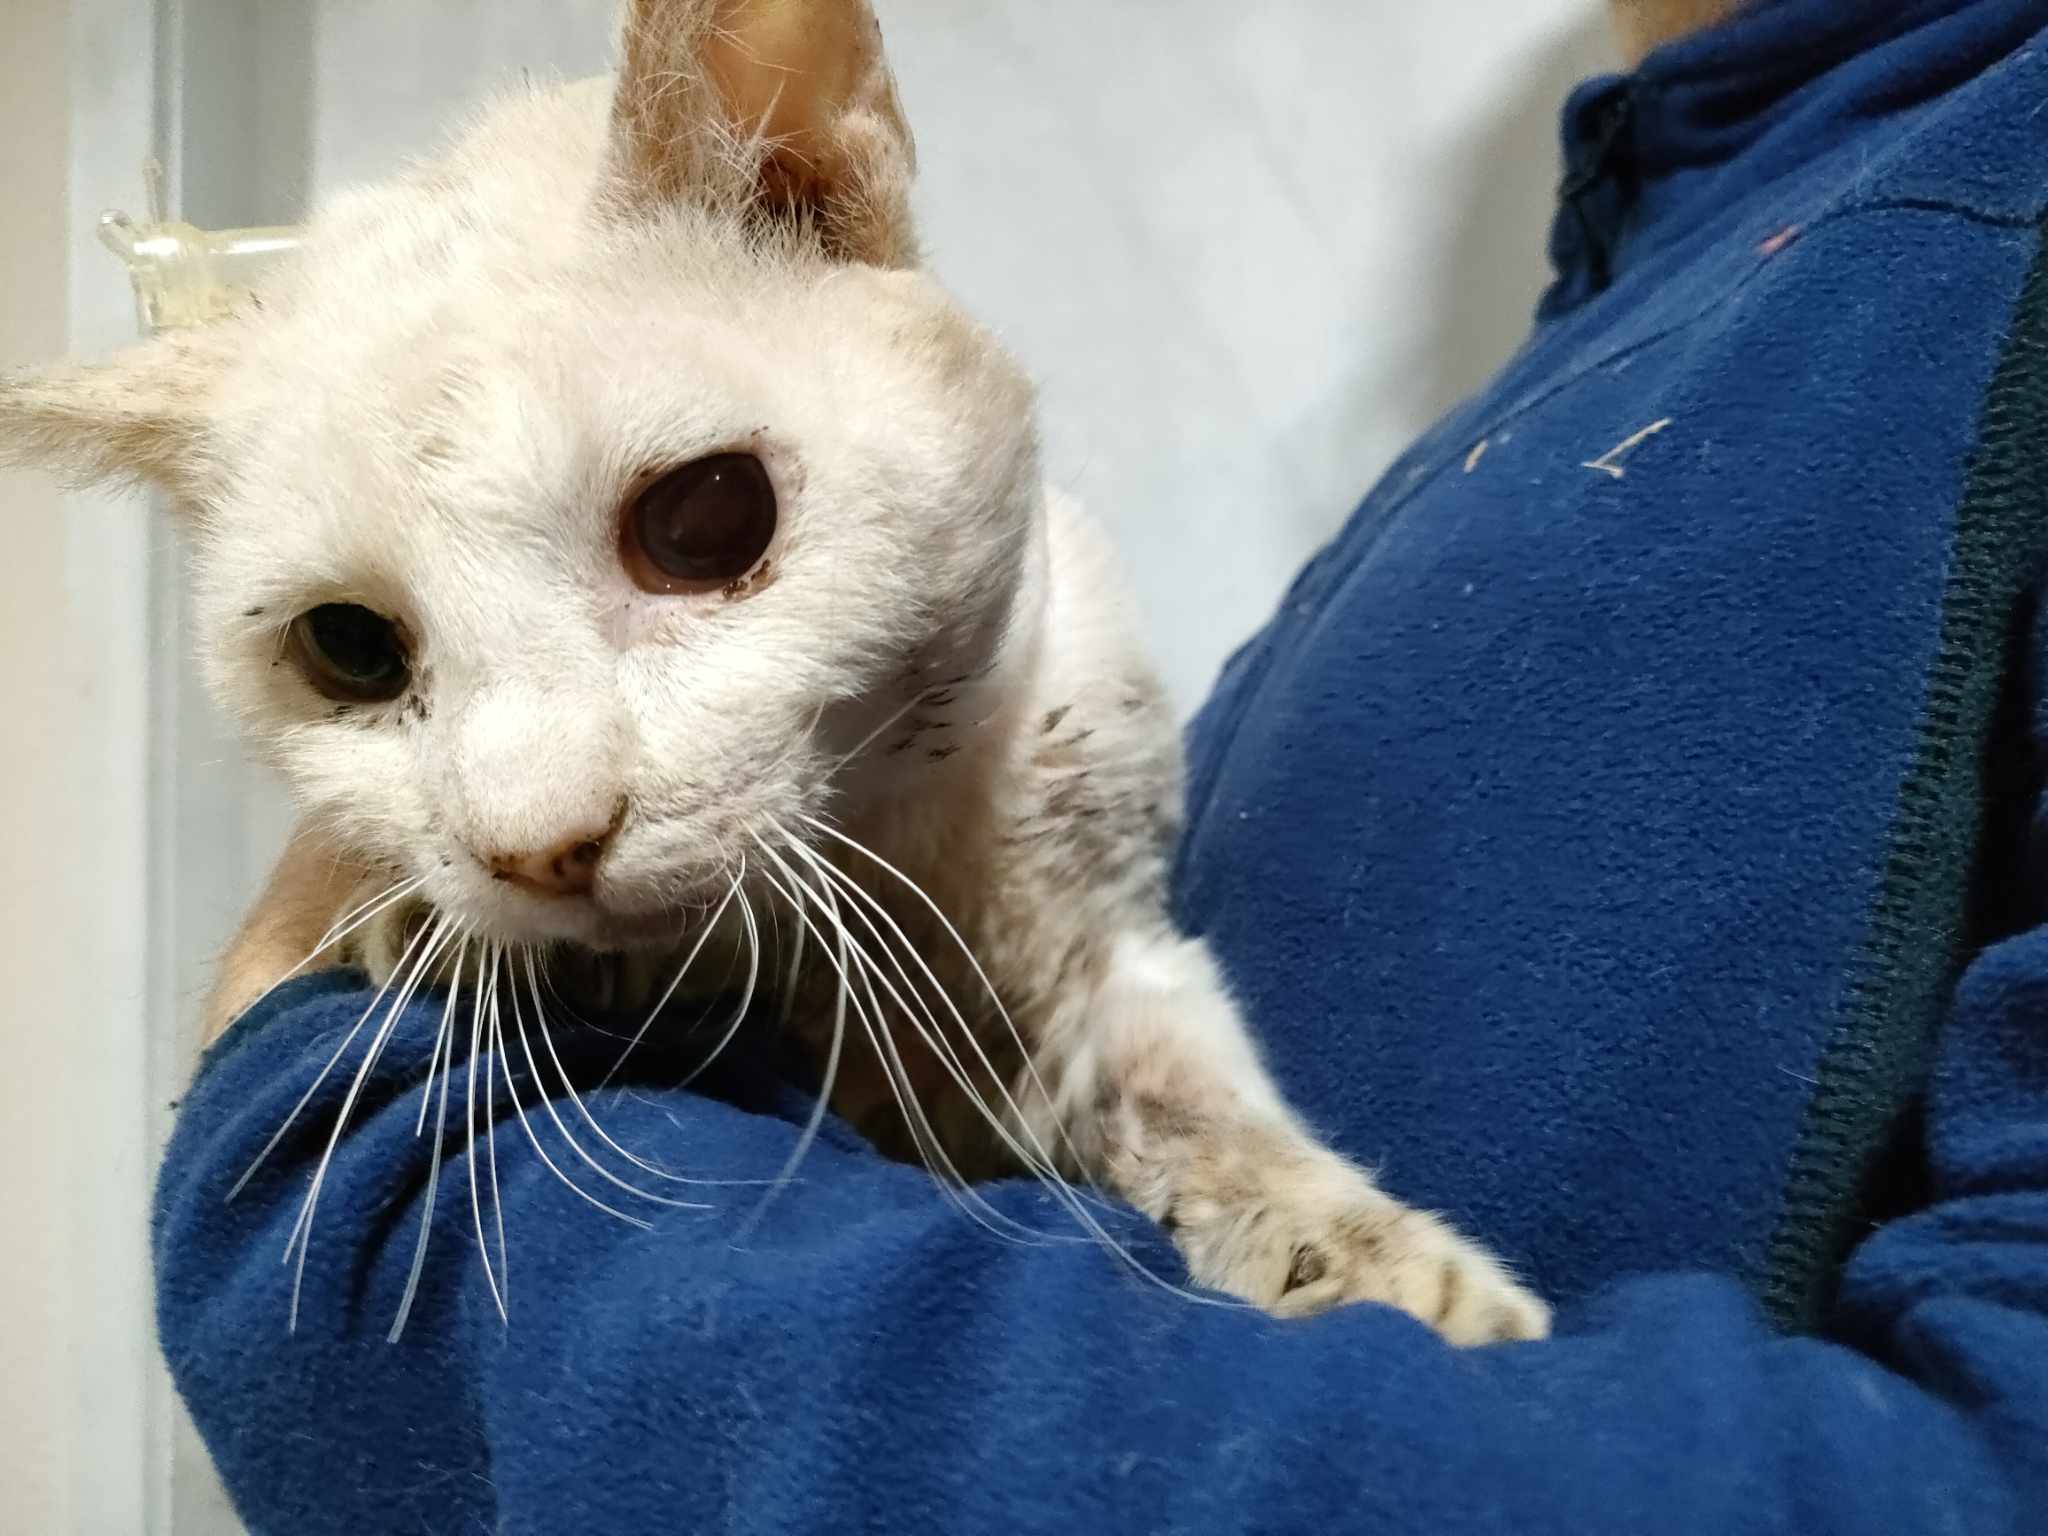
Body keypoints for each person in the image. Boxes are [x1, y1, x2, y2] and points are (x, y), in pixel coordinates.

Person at [156, 0, 2048, 1529]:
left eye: (701, 525)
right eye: (355, 650)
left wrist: (367, 1203)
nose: (530, 823)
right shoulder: (1641, 270)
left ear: (820, 185)